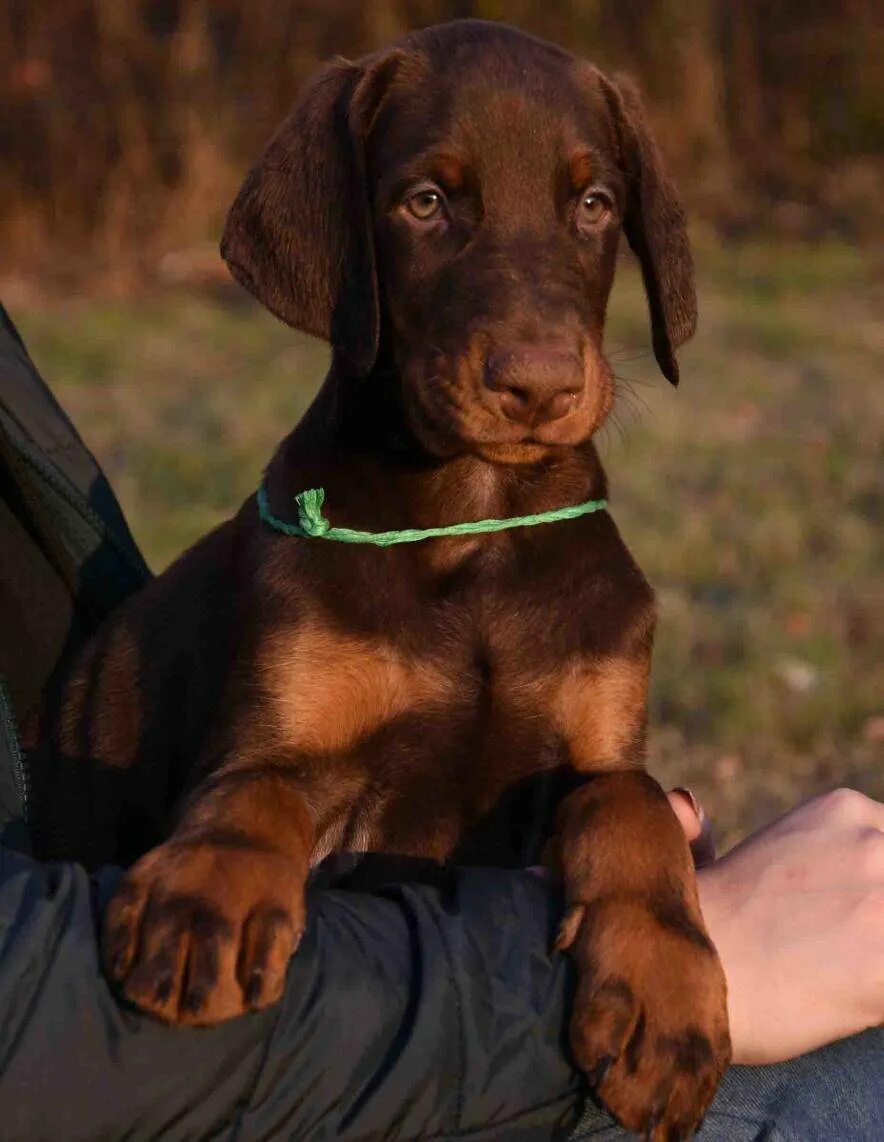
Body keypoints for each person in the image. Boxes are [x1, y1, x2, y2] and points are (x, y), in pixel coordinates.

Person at [0, 301, 880, 1140]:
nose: (540, 356)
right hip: (252, 1066)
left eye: (591, 205)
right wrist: (540, 979)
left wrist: (640, 868)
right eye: (428, 204)